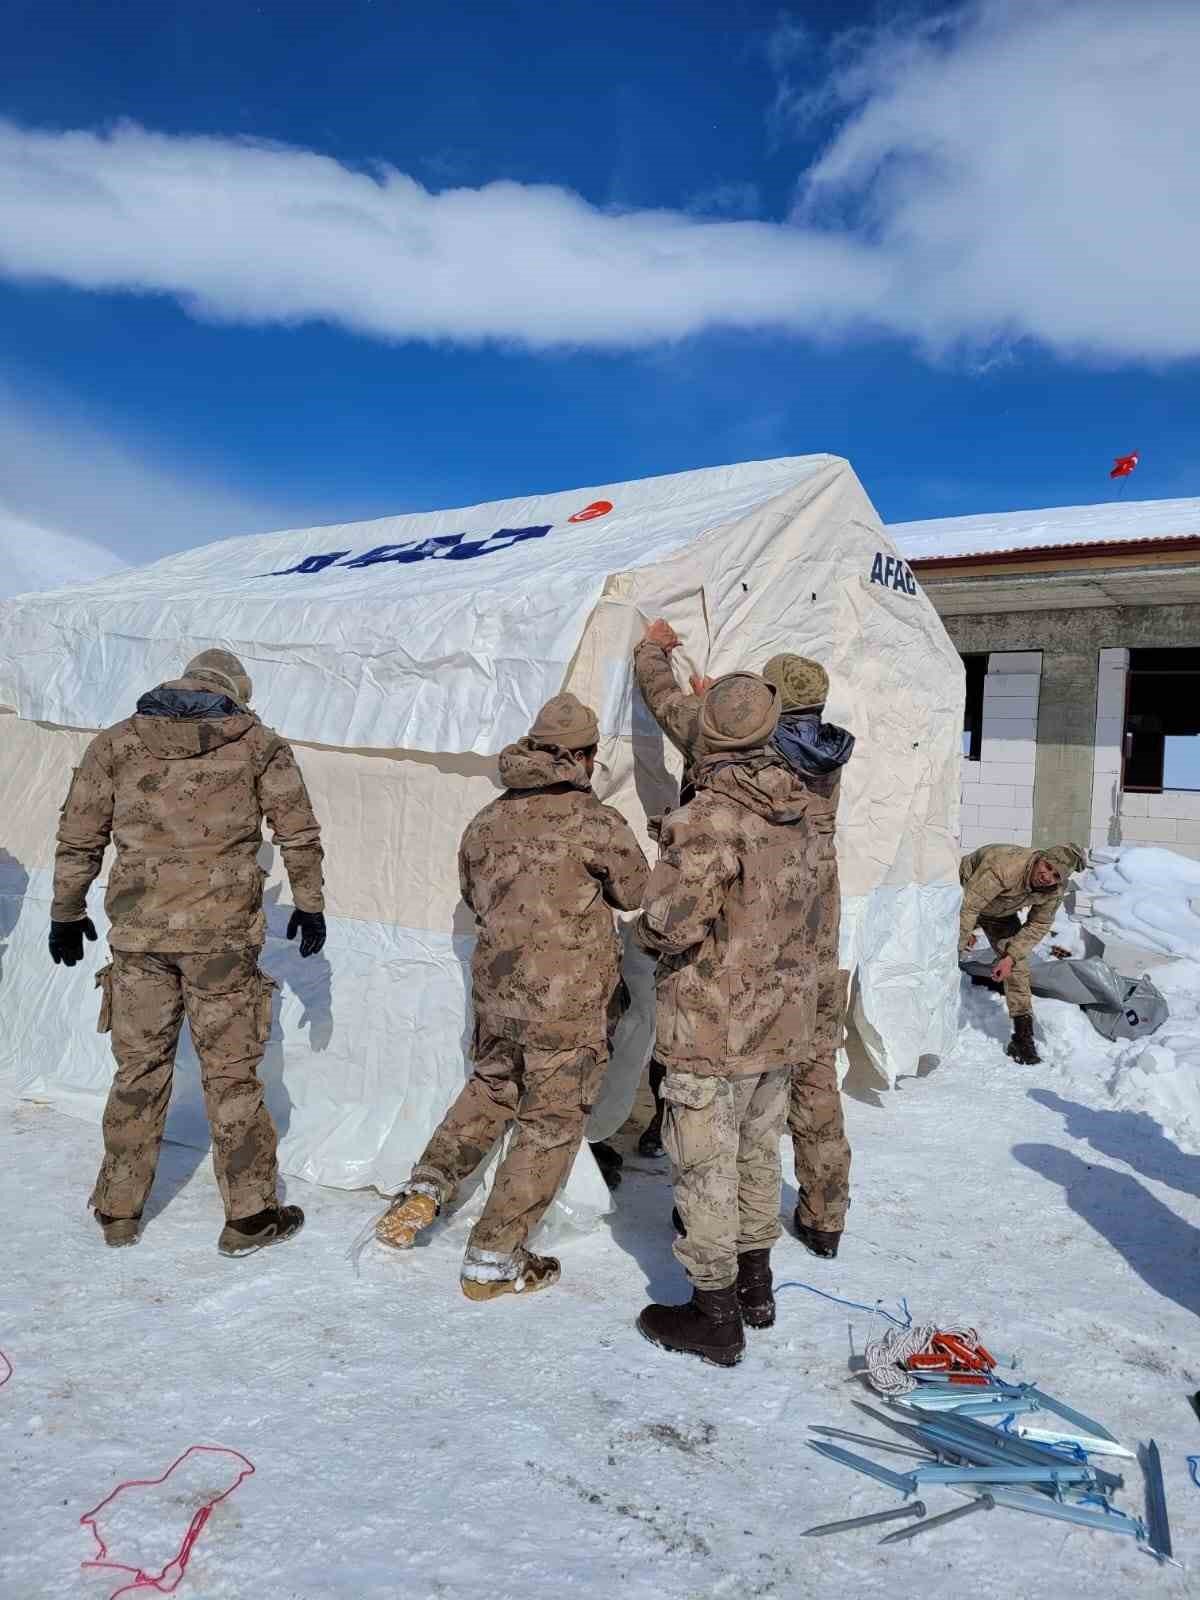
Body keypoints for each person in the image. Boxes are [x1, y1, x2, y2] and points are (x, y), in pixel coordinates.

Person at [49, 649, 327, 1255]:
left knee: (137, 1071)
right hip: (222, 939)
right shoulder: (258, 743)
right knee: (231, 1076)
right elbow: (297, 830)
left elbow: (80, 833)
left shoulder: (117, 742)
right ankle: (250, 1217)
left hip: (140, 936)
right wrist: (309, 902)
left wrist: (65, 912)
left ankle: (119, 1209)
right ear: (233, 692)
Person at [374, 694, 649, 1301]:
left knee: (491, 1088)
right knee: (549, 1124)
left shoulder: (487, 821)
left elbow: (476, 899)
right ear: (584, 755)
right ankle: (495, 1257)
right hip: (569, 1006)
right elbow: (635, 894)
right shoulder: (596, 822)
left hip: (499, 994)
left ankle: (426, 1186)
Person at [635, 673, 820, 1368]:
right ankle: (756, 1284)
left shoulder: (711, 817)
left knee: (704, 1165)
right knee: (757, 1151)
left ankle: (715, 1315)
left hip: (714, 1024)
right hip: (780, 1019)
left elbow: (675, 923)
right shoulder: (799, 809)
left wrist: (647, 930)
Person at [761, 654, 855, 1261]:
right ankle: (825, 1217)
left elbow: (679, 717)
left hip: (763, 955)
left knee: (749, 1086)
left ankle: (735, 1213)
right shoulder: (827, 756)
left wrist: (656, 658)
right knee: (817, 1081)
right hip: (819, 954)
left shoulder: (755, 755)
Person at [630, 619, 712, 1158]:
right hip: (773, 910)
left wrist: (653, 648)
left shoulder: (711, 738)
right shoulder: (807, 758)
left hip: (703, 895)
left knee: (680, 1011)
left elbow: (660, 696)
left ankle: (671, 1127)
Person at [959, 842, 1088, 1064]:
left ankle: (1022, 1037)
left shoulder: (1054, 891)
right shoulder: (1006, 866)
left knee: (1018, 966)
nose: (1047, 876)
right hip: (962, 892)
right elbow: (969, 907)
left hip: (998, 912)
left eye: (1055, 875)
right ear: (1040, 858)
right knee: (943, 950)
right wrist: (959, 943)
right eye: (1046, 867)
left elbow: (1038, 925)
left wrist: (1009, 957)